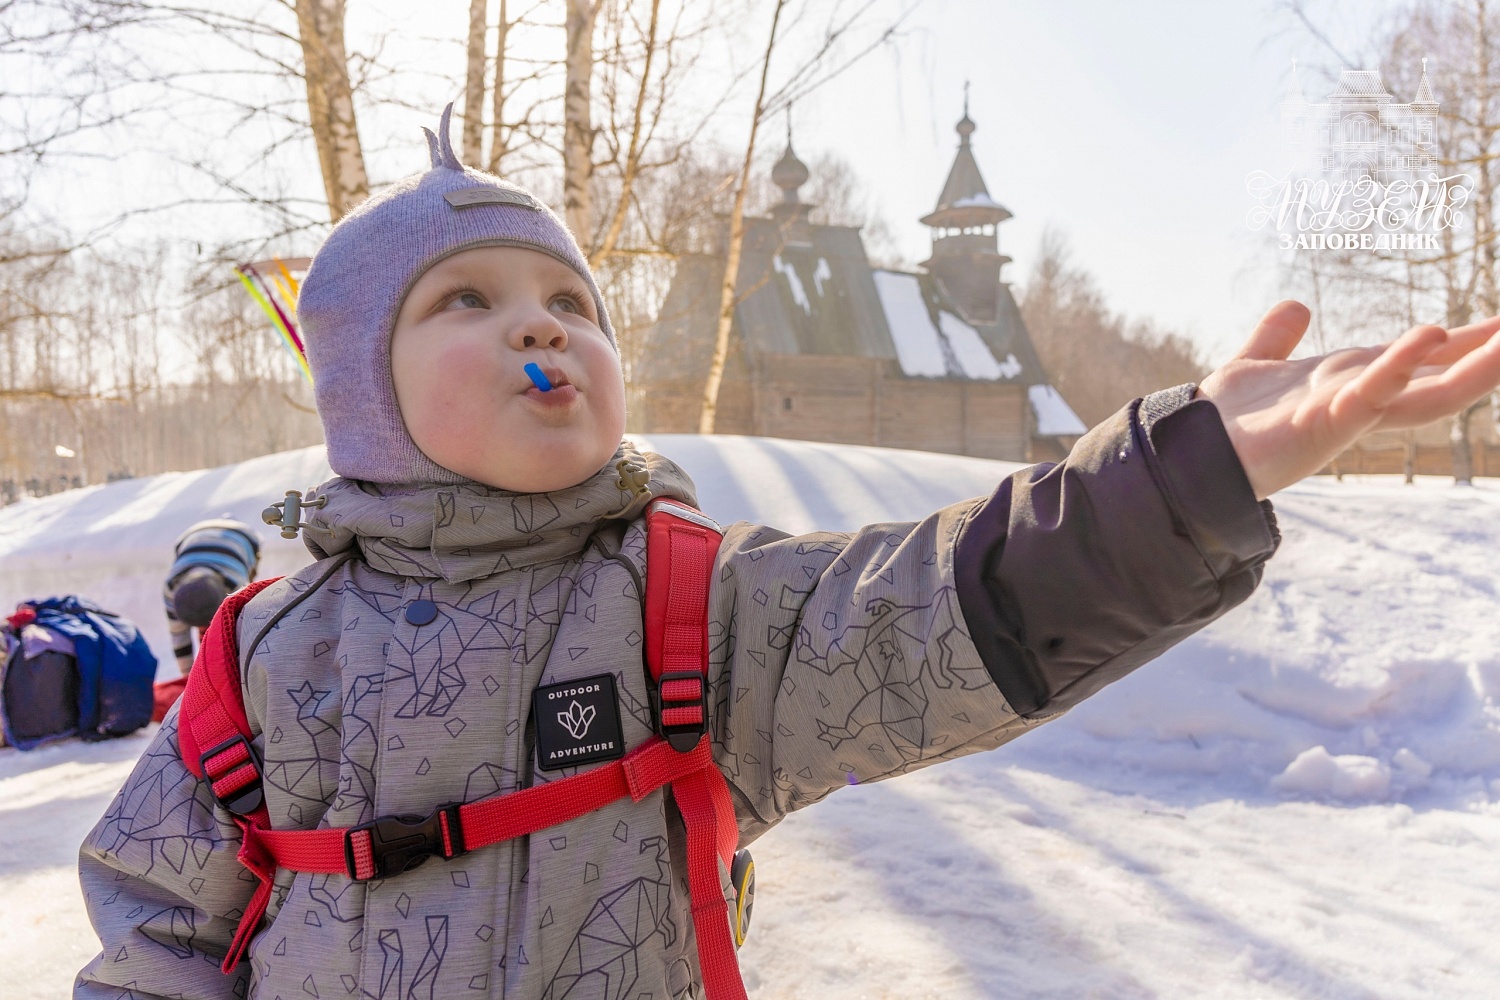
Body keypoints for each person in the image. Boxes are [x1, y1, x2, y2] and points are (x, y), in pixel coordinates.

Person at [73, 106, 1500, 1000]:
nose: (544, 324)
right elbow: (154, 922)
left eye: (574, 299)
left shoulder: (694, 610)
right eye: (468, 298)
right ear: (361, 396)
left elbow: (946, 609)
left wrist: (1188, 473)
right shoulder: (268, 656)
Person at [162, 518, 261, 674]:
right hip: (191, 536)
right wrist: (188, 679)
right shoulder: (171, 589)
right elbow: (179, 637)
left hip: (241, 535)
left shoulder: (237, 587)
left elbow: (242, 634)